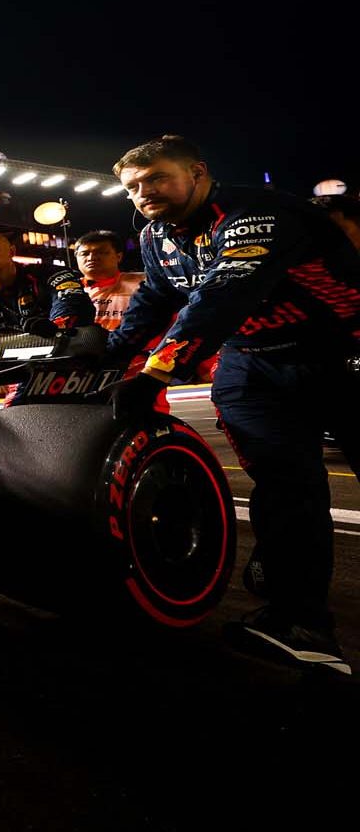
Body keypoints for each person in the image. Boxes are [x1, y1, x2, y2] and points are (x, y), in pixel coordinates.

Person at [104, 135, 358, 674]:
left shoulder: (257, 212)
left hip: (345, 351)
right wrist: (107, 353)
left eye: (158, 178)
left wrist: (157, 372)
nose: (145, 192)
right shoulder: (155, 236)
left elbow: (224, 293)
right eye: (133, 186)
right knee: (286, 488)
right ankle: (302, 623)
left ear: (197, 173)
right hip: (252, 365)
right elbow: (156, 297)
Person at [71, 231, 143, 332]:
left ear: (119, 256)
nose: (91, 258)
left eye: (101, 252)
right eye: (85, 254)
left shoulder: (144, 282)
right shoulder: (69, 290)